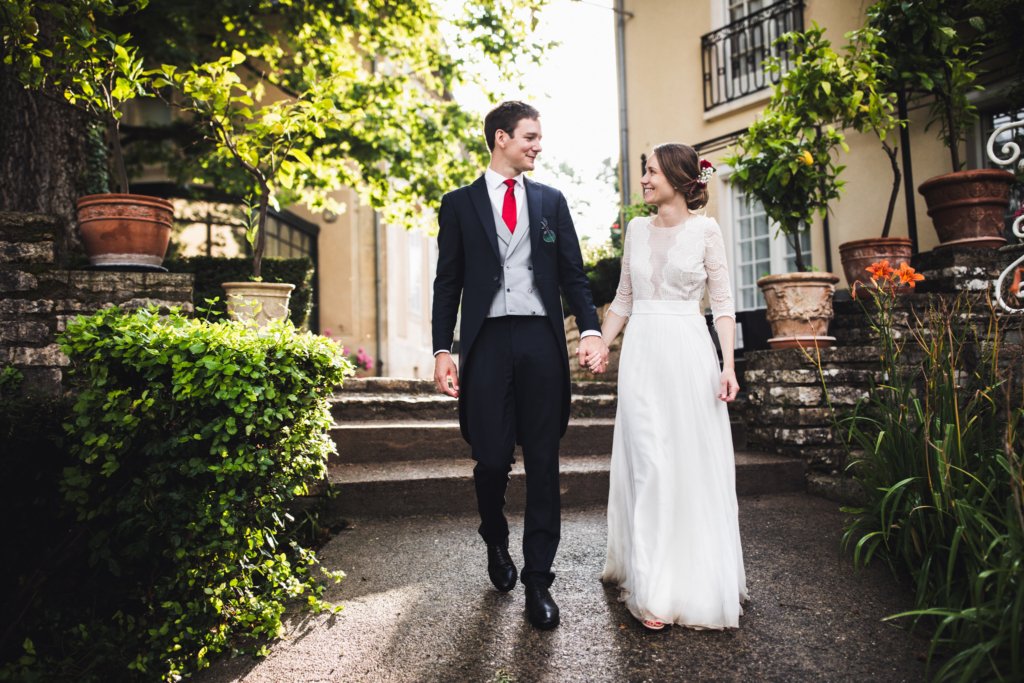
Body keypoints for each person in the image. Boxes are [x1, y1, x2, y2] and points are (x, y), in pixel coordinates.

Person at [431, 101, 608, 630]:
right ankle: (494, 537)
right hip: (485, 343)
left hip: (540, 340)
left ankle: (538, 581)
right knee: (489, 459)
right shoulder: (459, 204)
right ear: (501, 138)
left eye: (539, 137)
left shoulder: (551, 202)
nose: (537, 146)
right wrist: (444, 349)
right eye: (529, 136)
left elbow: (574, 275)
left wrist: (591, 329)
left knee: (545, 463)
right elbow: (448, 282)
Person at [592, 143, 747, 631]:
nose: (643, 179)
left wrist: (729, 365)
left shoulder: (706, 231)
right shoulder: (636, 231)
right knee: (650, 463)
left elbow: (722, 304)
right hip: (640, 356)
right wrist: (601, 342)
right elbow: (623, 298)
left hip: (688, 354)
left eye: (651, 171)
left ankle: (686, 577)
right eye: (644, 171)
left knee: (686, 464)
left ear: (680, 179)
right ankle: (653, 587)